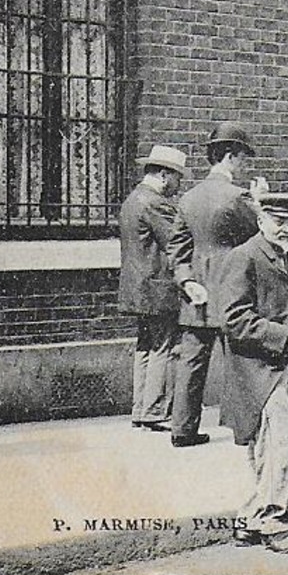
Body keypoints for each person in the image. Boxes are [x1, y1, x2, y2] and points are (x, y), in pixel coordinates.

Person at [215, 193, 288, 554]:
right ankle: (276, 524)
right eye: (279, 221)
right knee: (278, 444)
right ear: (261, 221)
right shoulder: (244, 257)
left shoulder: (283, 255)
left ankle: (249, 519)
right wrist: (285, 334)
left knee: (270, 448)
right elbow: (232, 319)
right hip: (256, 370)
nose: (287, 228)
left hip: (280, 364)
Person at [170, 121, 266, 448]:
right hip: (230, 292)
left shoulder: (188, 198)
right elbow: (262, 236)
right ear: (229, 157)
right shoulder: (238, 197)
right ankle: (244, 430)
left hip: (196, 295)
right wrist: (260, 202)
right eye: (242, 159)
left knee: (192, 363)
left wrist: (186, 281)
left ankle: (182, 430)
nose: (244, 166)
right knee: (239, 362)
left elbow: (177, 250)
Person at [118, 145, 188, 432]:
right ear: (163, 175)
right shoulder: (156, 204)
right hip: (158, 289)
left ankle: (141, 408)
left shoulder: (133, 200)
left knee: (146, 347)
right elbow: (177, 242)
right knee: (163, 347)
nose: (178, 184)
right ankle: (155, 411)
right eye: (177, 178)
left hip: (138, 288)